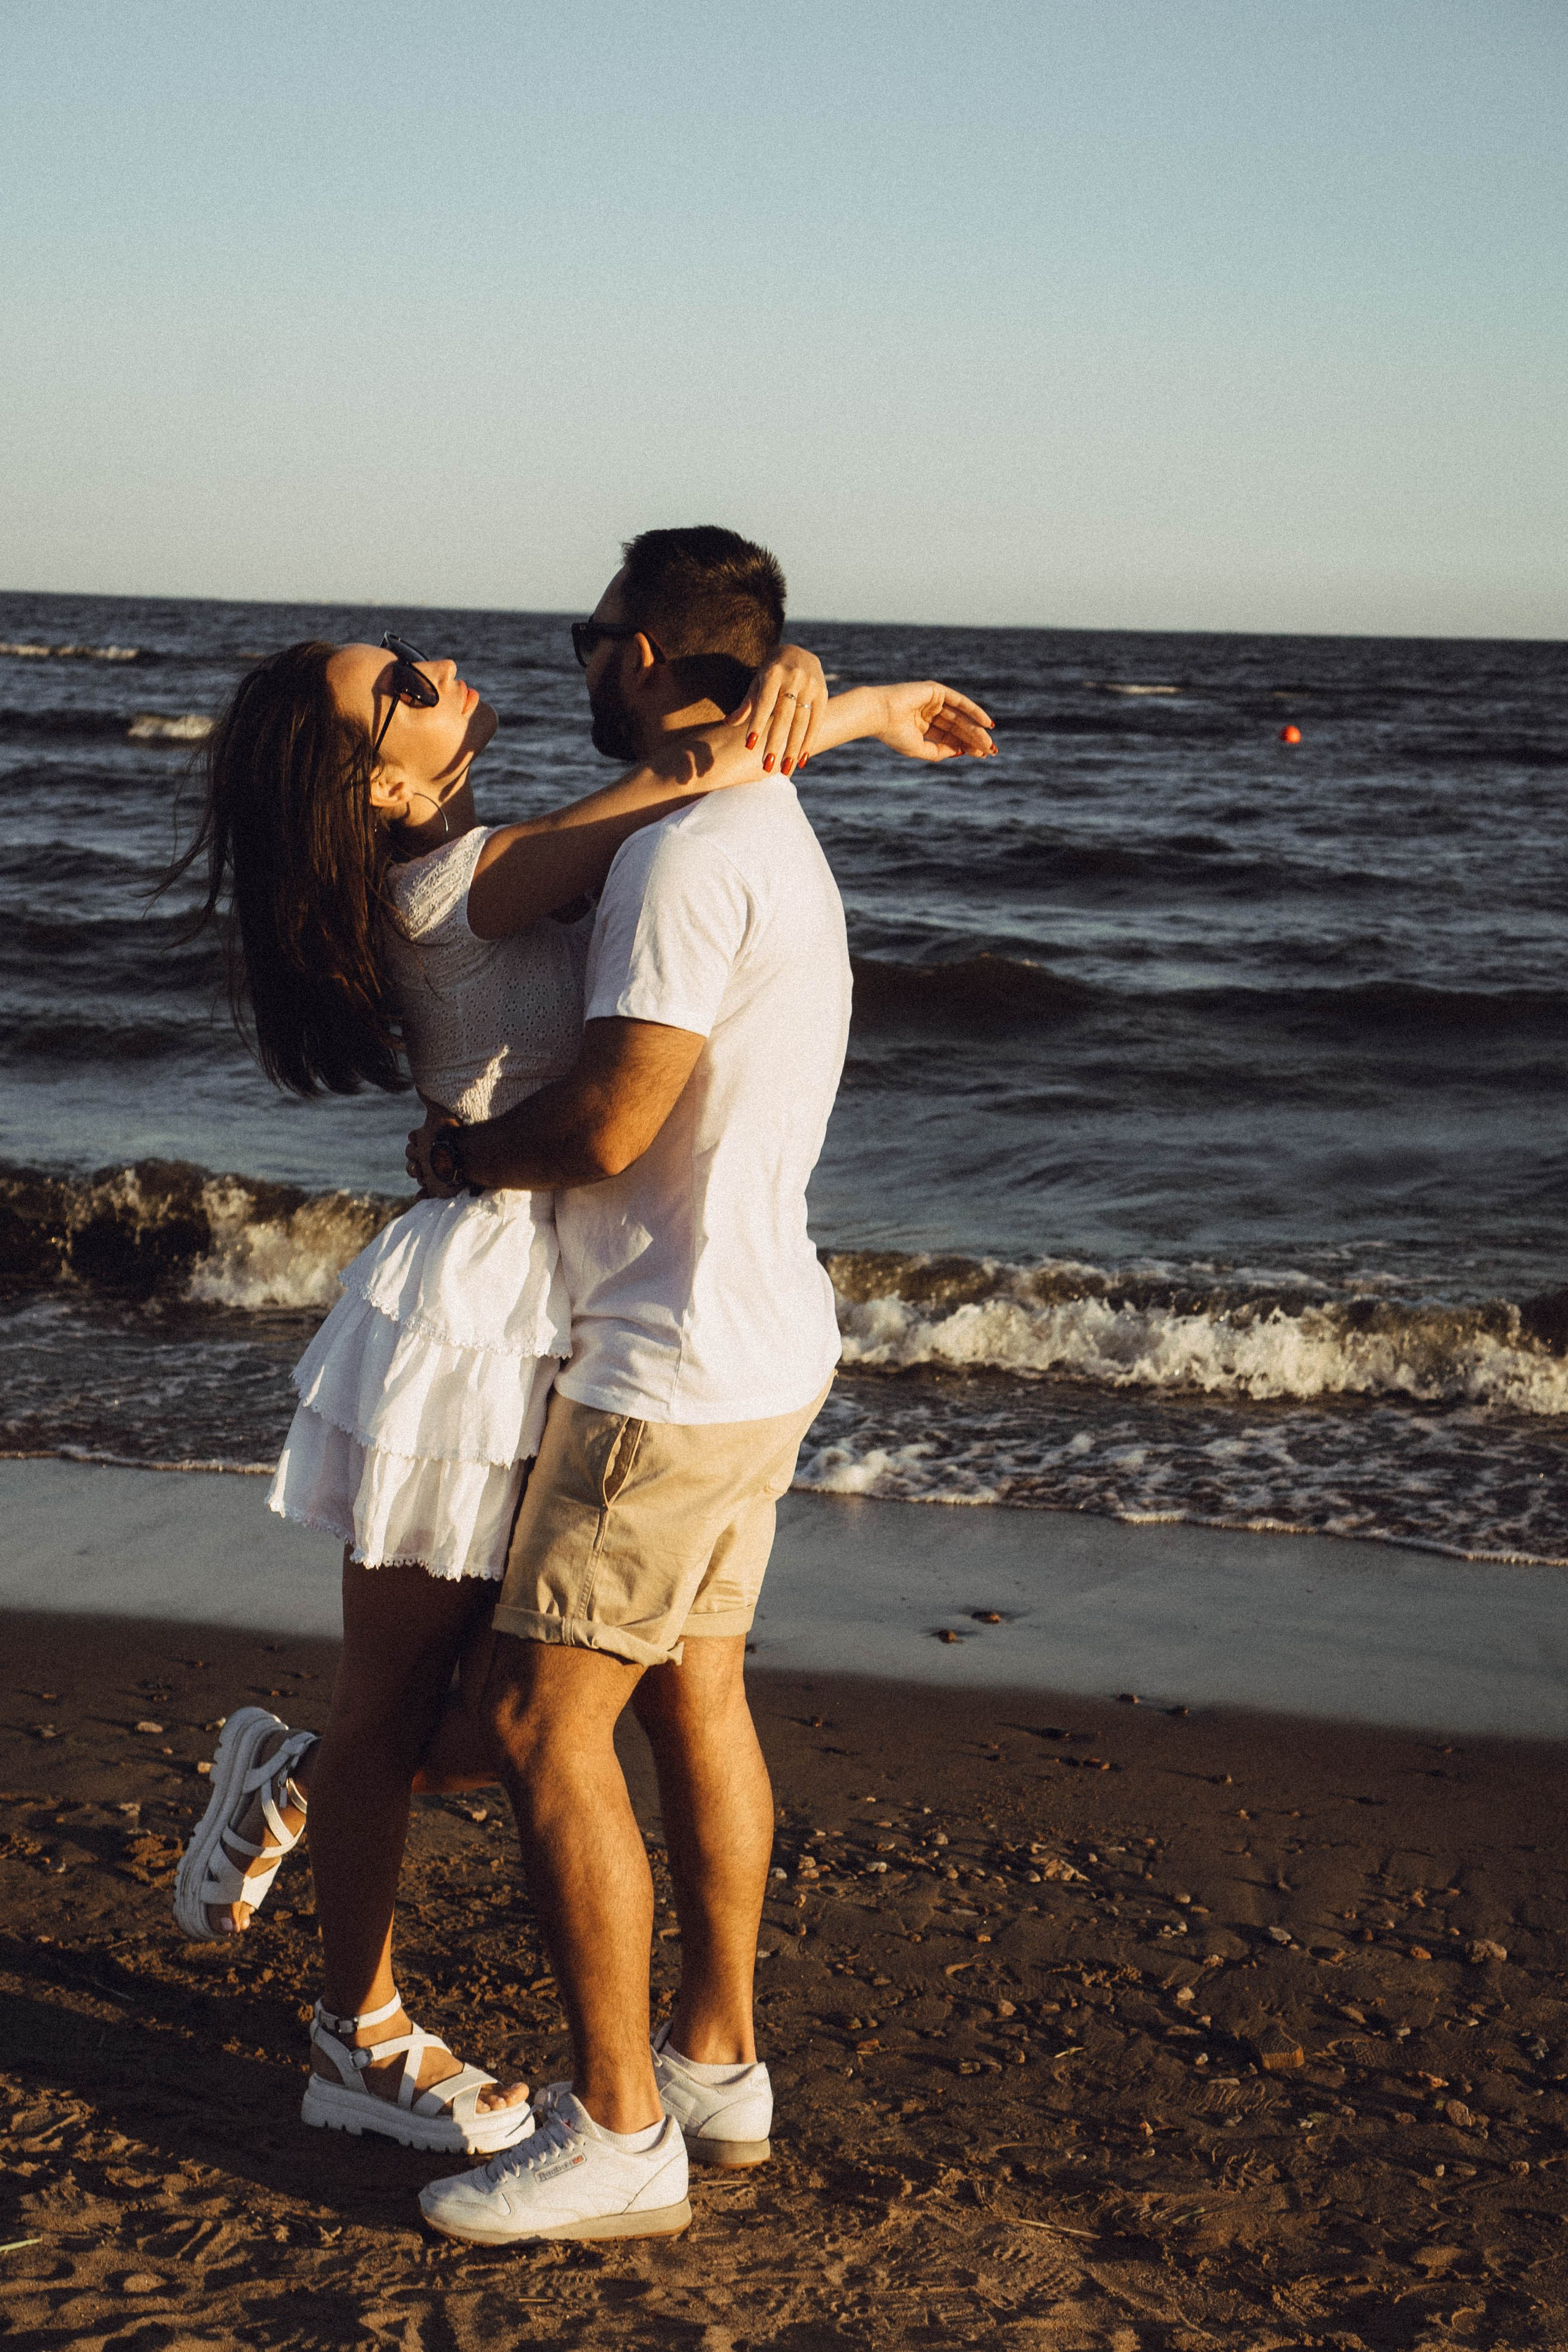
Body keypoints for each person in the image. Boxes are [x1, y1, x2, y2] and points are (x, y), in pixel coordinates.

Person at [172, 530, 995, 2165]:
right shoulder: (456, 876)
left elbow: (691, 778)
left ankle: (301, 1780)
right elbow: (681, 783)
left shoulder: (498, 854)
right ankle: (359, 2024)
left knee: (503, 1696)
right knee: (423, 1689)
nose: (458, 677)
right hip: (474, 1312)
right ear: (380, 789)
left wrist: (815, 695)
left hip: (575, 1295)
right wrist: (840, 701)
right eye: (409, 690)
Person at [405, 527, 997, 2245]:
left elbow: (609, 1119)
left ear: (653, 655)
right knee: (692, 1699)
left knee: (540, 1724)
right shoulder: (760, 824)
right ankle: (719, 2063)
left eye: (594, 636)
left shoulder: (682, 862)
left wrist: (459, 1158)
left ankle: (617, 2132)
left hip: (666, 1368)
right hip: (762, 1342)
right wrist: (852, 712)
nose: (579, 659)